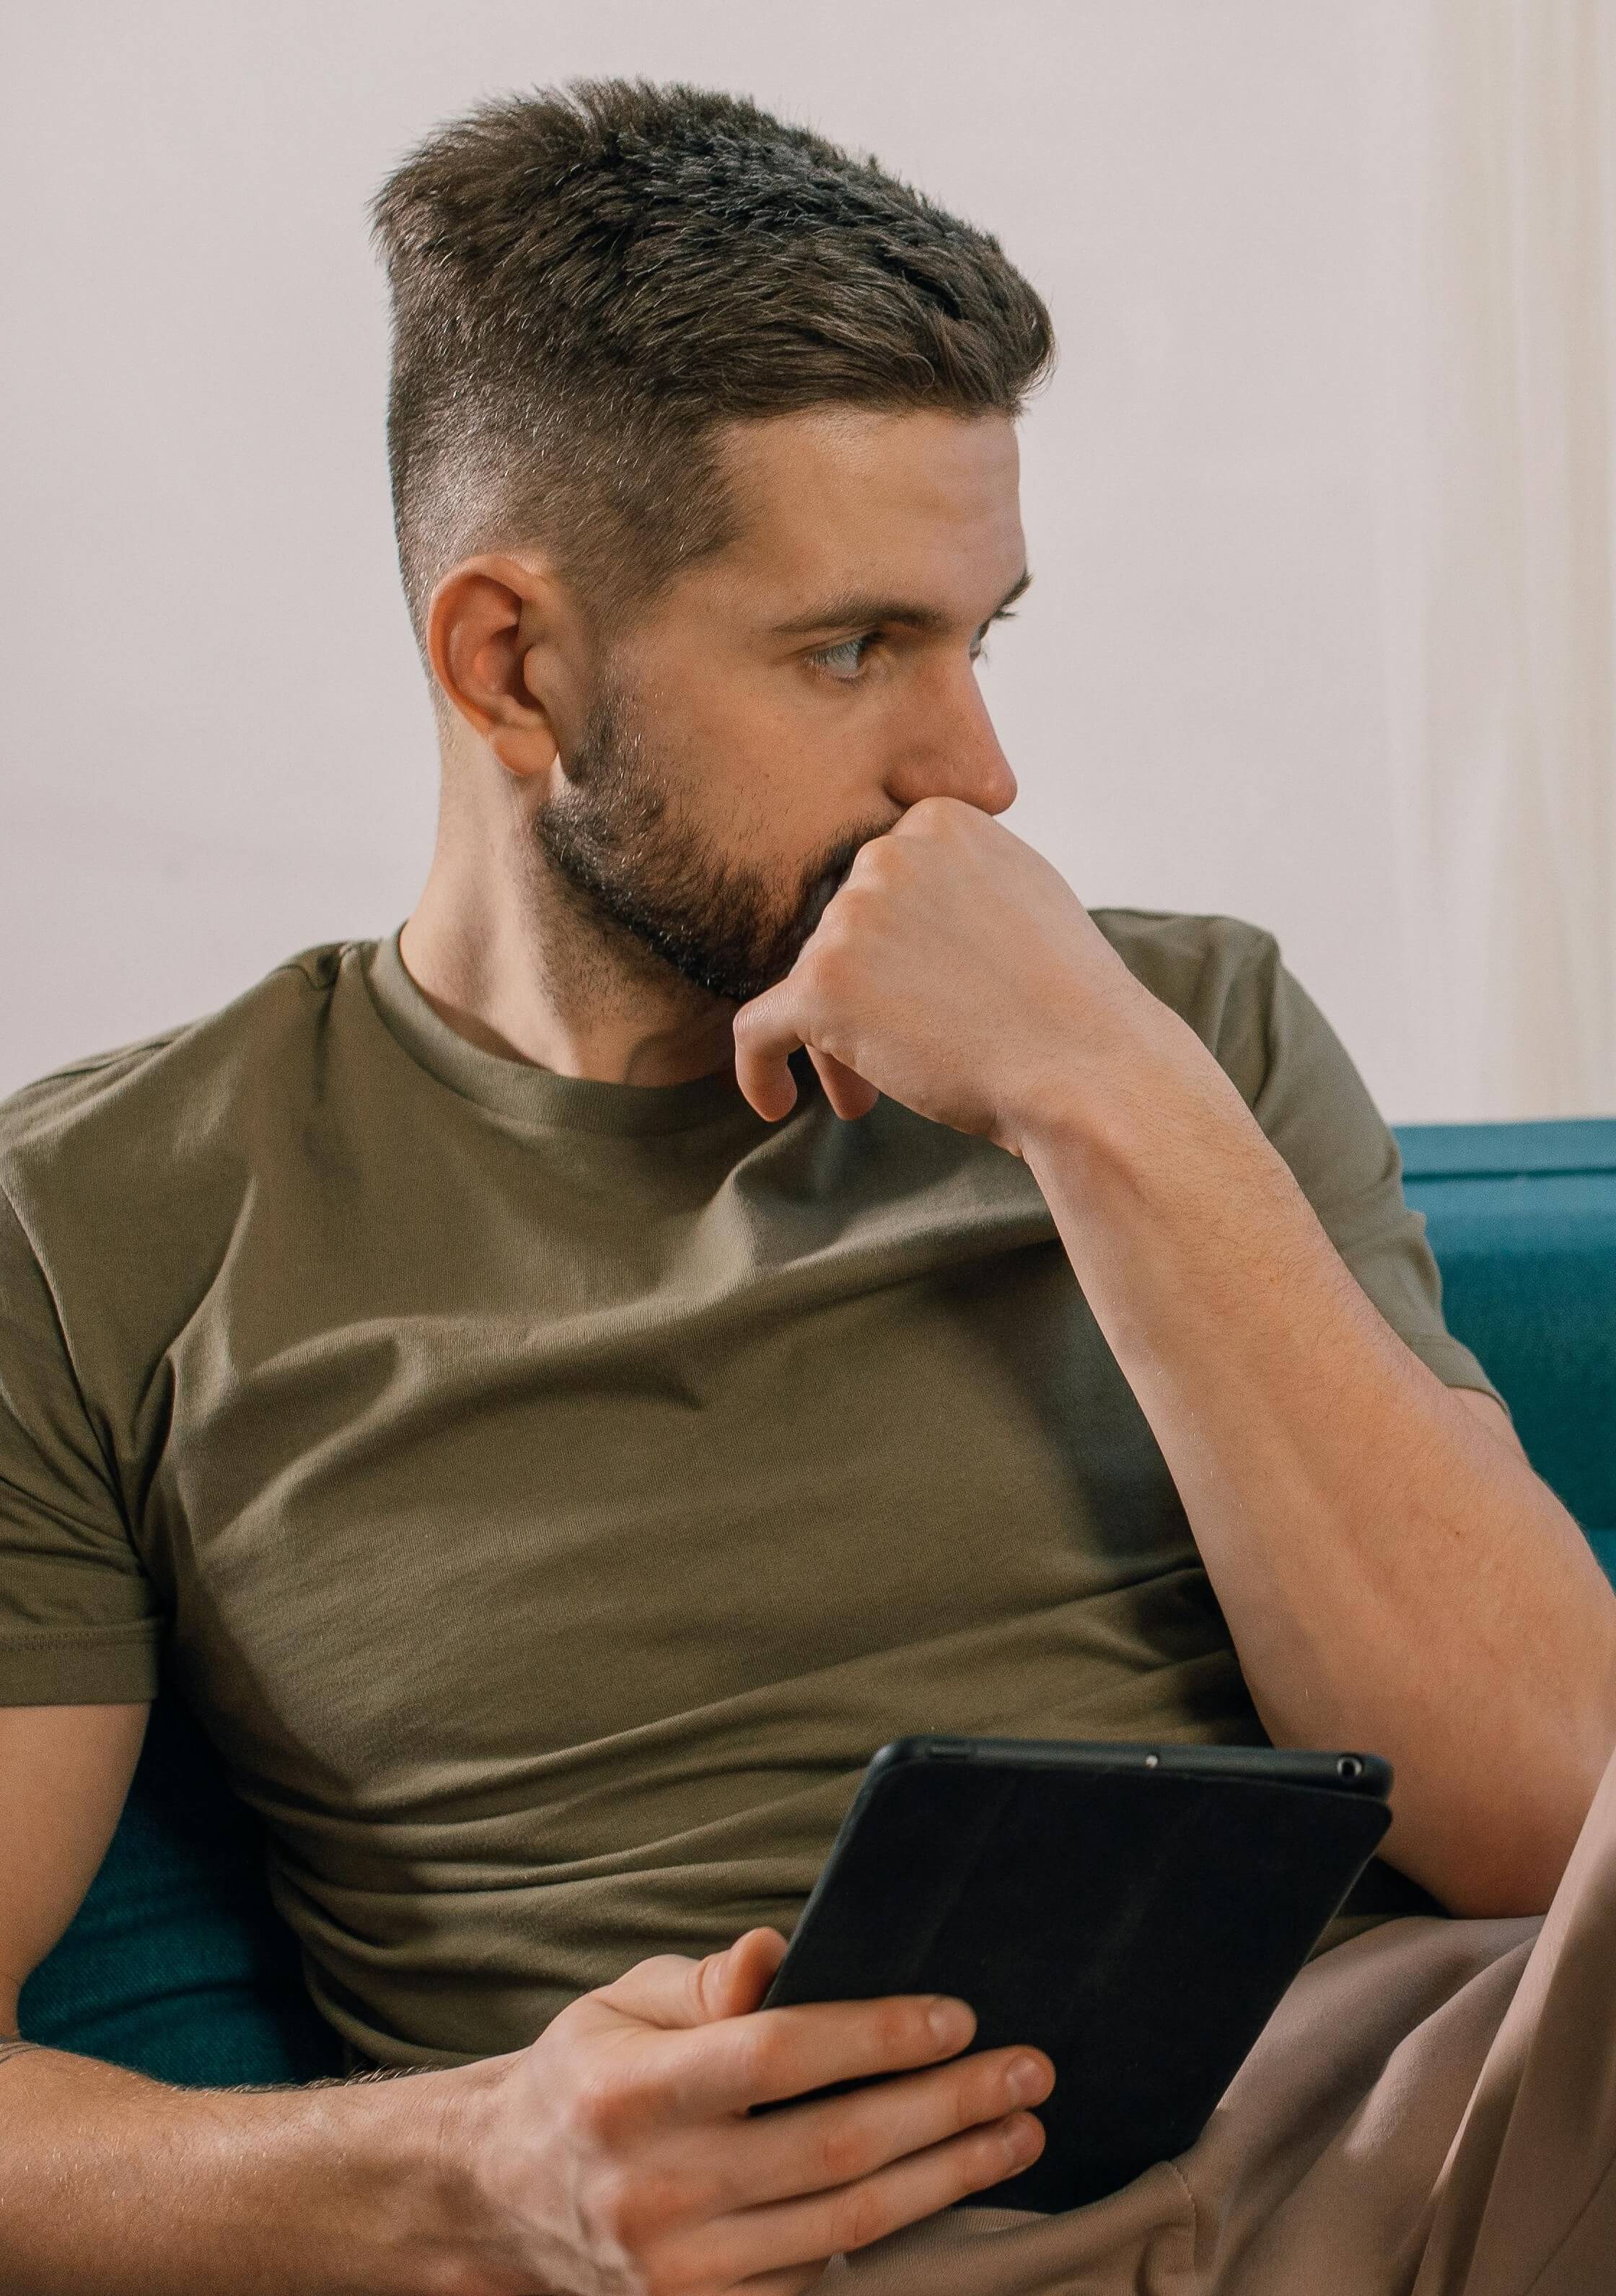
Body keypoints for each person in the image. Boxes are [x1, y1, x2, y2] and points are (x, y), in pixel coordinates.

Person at [1, 76, 1613, 2296]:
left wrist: (1097, 1096)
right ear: (513, 664)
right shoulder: (104, 1221)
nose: (976, 771)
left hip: (1450, 2157)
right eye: (853, 650)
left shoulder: (1177, 1033)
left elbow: (1558, 1808)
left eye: (984, 635)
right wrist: (478, 2171)